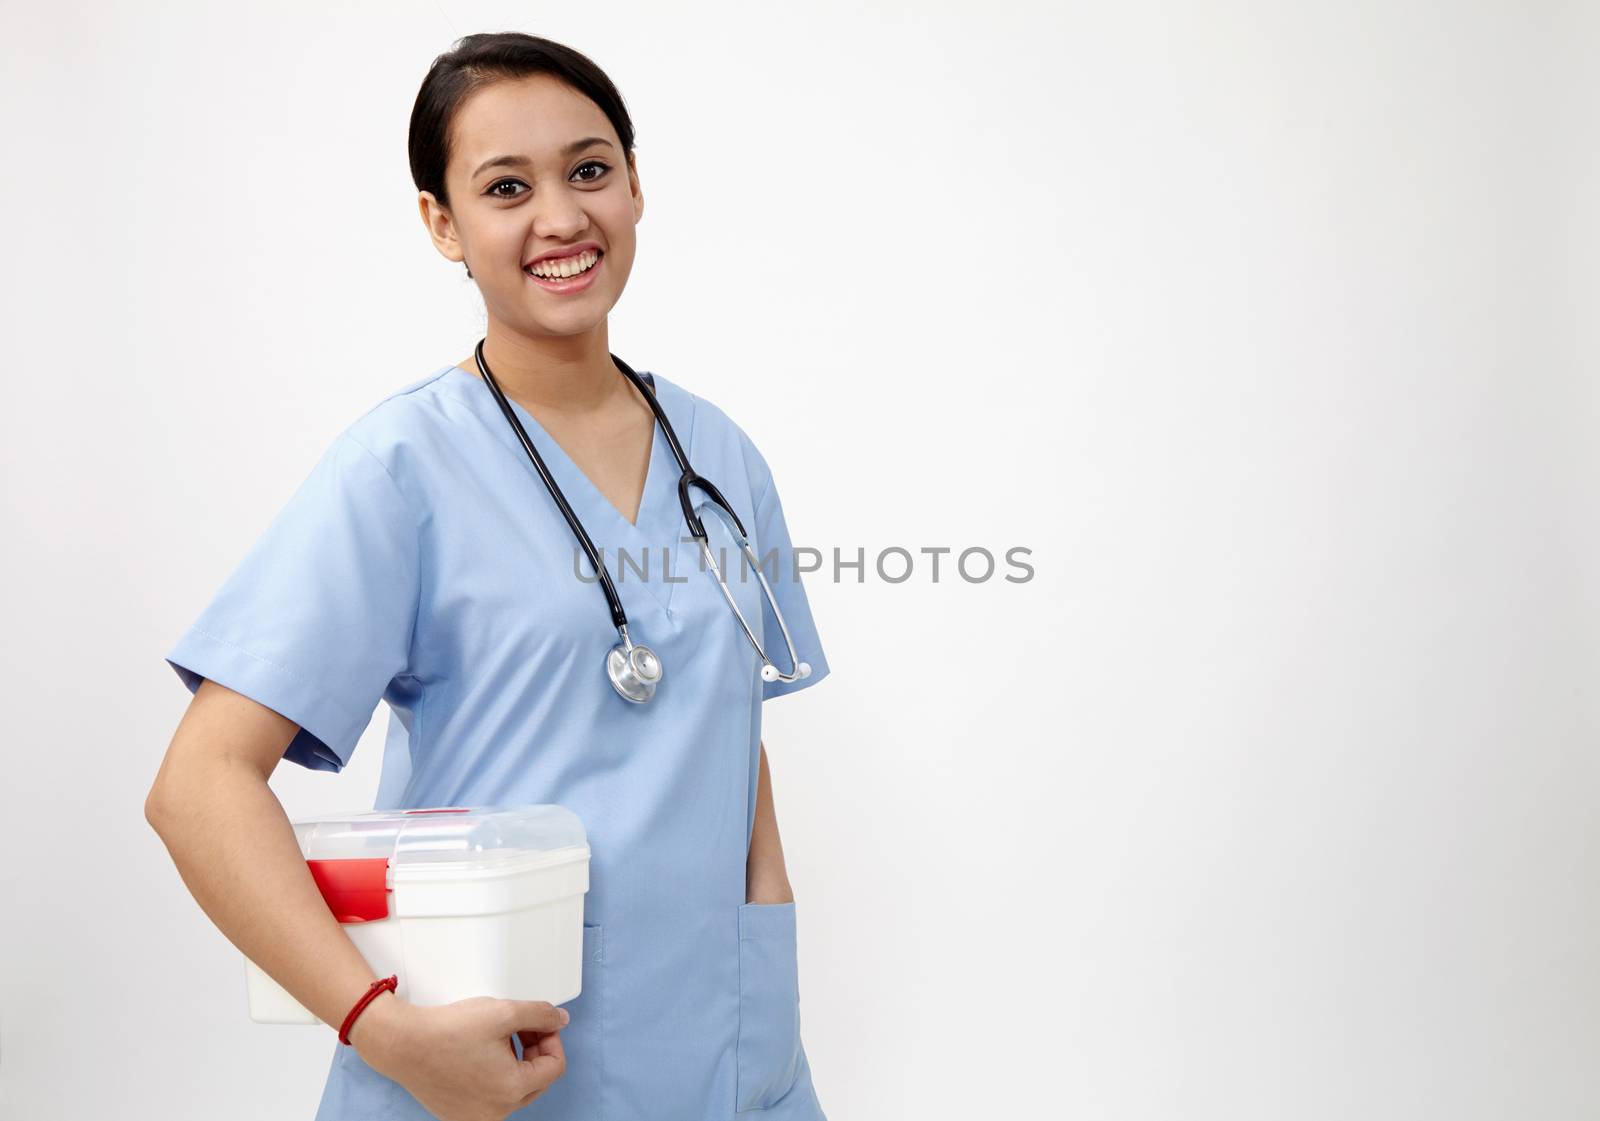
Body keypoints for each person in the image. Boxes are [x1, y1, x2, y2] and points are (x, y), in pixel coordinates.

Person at [144, 31, 832, 1121]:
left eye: (589, 169)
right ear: (442, 224)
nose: (560, 217)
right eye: (505, 187)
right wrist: (382, 1025)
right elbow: (198, 786)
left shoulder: (718, 457)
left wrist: (766, 942)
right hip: (484, 1064)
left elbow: (727, 725)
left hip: (727, 1051)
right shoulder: (401, 469)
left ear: (637, 186)